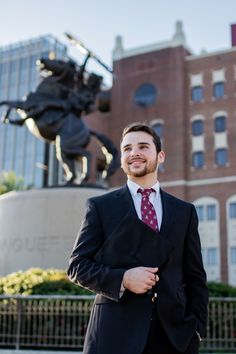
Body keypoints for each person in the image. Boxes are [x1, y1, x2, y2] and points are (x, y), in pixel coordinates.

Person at [68, 122, 208, 354]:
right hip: (114, 334)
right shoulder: (100, 207)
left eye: (143, 146)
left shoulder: (185, 211)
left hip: (173, 336)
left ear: (160, 156)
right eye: (127, 149)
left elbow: (195, 277)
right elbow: (77, 266)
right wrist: (123, 278)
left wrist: (196, 330)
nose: (134, 153)